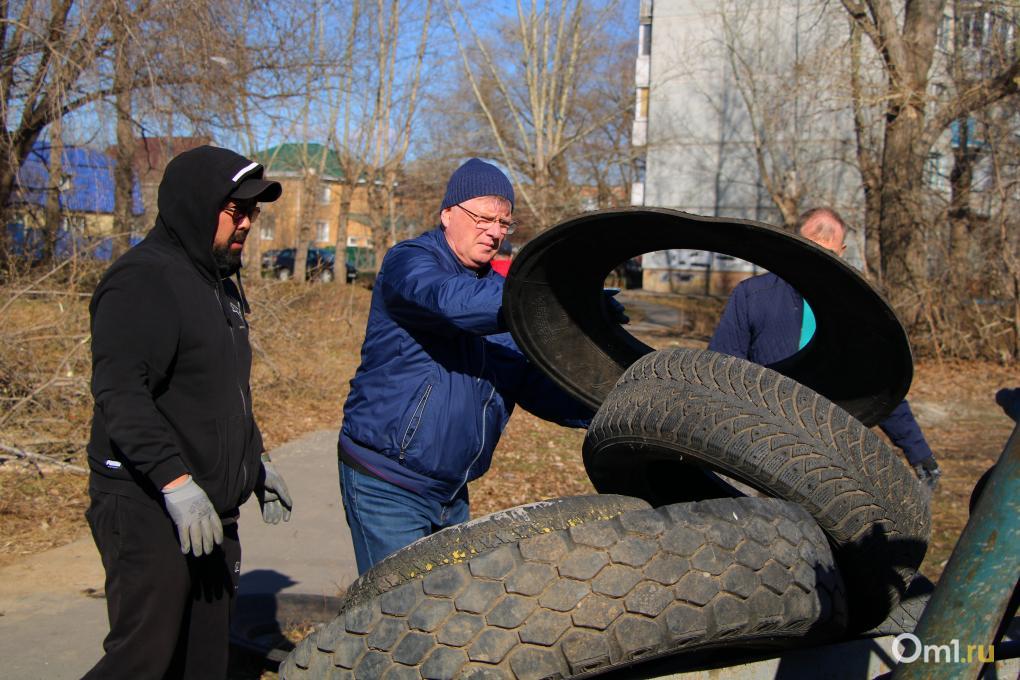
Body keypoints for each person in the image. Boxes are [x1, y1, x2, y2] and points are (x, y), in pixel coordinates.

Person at [83, 145, 293, 680]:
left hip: (211, 510)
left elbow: (219, 392)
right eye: (236, 210)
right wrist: (174, 482)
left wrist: (254, 460)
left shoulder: (216, 281)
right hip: (149, 504)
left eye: (253, 212)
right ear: (197, 207)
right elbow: (121, 394)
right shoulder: (144, 280)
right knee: (142, 661)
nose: (247, 222)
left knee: (203, 663)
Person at [337, 158, 598, 574]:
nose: (494, 232)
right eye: (483, 218)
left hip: (451, 491)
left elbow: (528, 378)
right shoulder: (410, 264)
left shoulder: (498, 293)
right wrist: (545, 302)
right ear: (447, 214)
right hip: (386, 483)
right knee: (397, 620)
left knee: (443, 615)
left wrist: (605, 407)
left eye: (504, 223)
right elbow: (449, 302)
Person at [709, 207, 942, 490]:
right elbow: (721, 369)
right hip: (756, 445)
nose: (818, 263)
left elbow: (877, 388)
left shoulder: (858, 310)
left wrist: (919, 453)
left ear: (841, 252)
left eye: (827, 255)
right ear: (792, 244)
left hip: (825, 457)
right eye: (811, 250)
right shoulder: (753, 295)